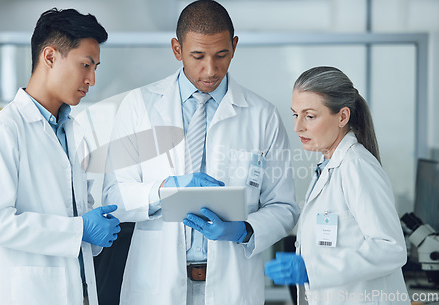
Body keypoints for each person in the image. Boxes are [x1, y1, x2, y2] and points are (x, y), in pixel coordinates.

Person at [101, 1, 299, 304]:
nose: (211, 69)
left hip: (232, 287)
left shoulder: (262, 116)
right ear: (177, 50)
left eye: (221, 55)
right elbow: (113, 196)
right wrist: (166, 190)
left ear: (234, 46)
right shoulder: (139, 107)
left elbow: (284, 207)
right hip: (156, 286)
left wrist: (244, 230)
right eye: (198, 56)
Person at [0, 8, 121, 305]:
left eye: (96, 68)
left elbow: (74, 212)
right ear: (50, 57)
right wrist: (80, 229)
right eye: (85, 65)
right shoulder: (2, 130)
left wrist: (93, 229)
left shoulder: (73, 132)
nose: (91, 79)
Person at [265, 66, 410, 304]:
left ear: (342, 117)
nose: (298, 127)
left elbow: (391, 248)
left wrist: (312, 269)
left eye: (309, 116)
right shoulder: (329, 165)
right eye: (295, 114)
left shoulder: (357, 166)